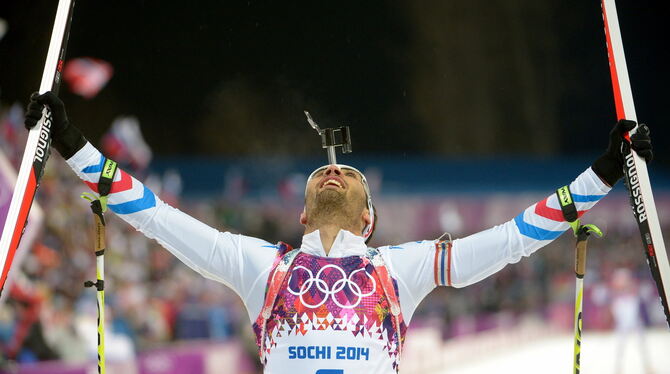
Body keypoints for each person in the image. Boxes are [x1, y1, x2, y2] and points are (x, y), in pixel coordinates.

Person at [24, 92, 652, 374]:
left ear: (368, 218)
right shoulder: (258, 265)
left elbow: (515, 236)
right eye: (324, 171)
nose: (333, 172)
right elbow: (157, 217)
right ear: (301, 213)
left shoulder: (400, 268)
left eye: (349, 174)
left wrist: (602, 172)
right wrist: (73, 146)